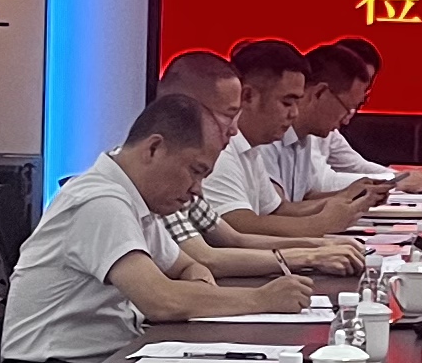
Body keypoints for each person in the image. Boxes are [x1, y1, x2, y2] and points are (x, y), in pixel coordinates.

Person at [2, 91, 327, 363]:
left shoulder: (135, 198)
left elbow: (189, 266)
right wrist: (261, 299)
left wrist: (198, 292)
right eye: (195, 171)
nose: (197, 190)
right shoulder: (99, 201)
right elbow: (160, 300)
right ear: (154, 148)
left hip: (104, 361)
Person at [152, 47, 359, 283]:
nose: (233, 129)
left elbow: (233, 238)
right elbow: (207, 257)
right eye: (228, 115)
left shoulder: (188, 170)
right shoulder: (150, 181)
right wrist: (310, 253)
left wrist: (320, 247)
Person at [199, 37, 382, 241]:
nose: (294, 113)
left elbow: (278, 209)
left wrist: (346, 199)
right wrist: (321, 224)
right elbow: (237, 224)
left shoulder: (252, 146)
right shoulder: (221, 147)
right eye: (287, 103)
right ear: (248, 97)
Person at [306, 35, 422, 194]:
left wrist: (400, 177)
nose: (348, 118)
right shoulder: (302, 127)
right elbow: (321, 183)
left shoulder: (323, 128)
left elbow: (356, 166)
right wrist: (394, 181)